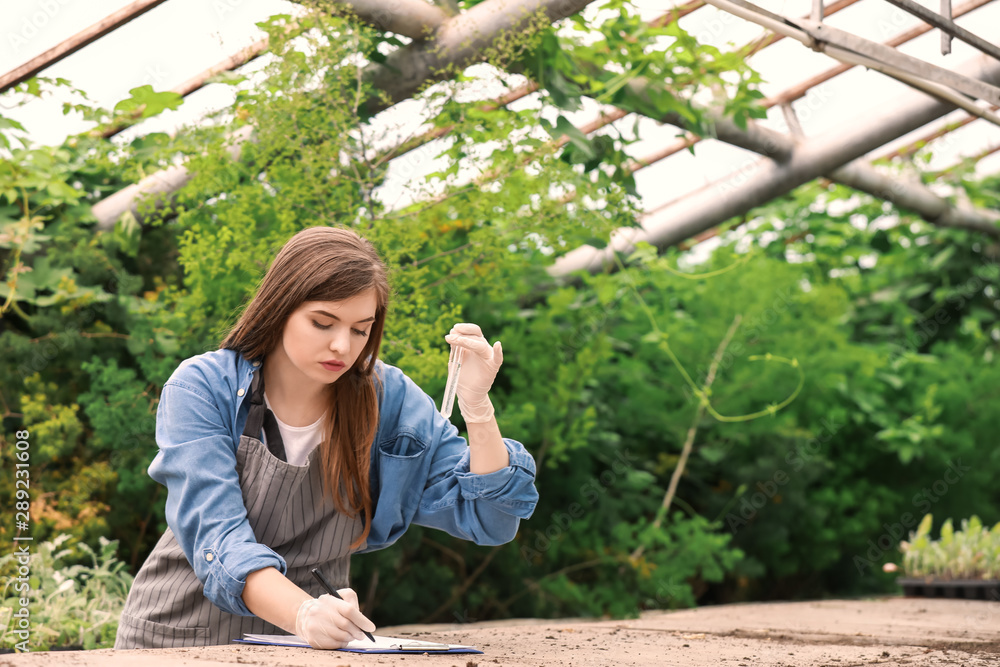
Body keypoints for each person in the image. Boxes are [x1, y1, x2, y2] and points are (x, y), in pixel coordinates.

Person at [114, 226, 538, 650]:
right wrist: (303, 613)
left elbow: (491, 519)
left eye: (360, 330)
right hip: (180, 639)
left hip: (315, 649)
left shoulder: (389, 401)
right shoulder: (203, 388)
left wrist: (478, 408)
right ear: (280, 307)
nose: (342, 345)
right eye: (322, 322)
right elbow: (220, 541)